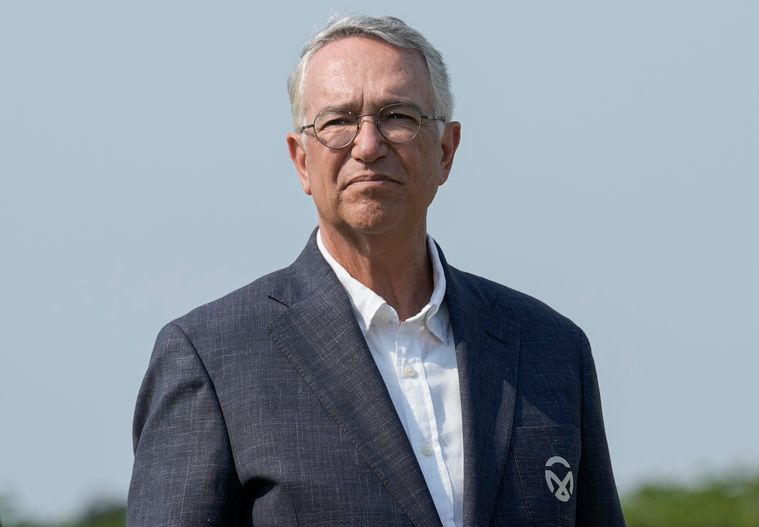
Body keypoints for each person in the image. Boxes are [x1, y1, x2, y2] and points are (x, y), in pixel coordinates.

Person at [128, 14, 625, 526]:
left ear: (446, 151)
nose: (368, 145)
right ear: (301, 161)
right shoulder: (212, 358)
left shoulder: (551, 348)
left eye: (397, 116)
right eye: (338, 121)